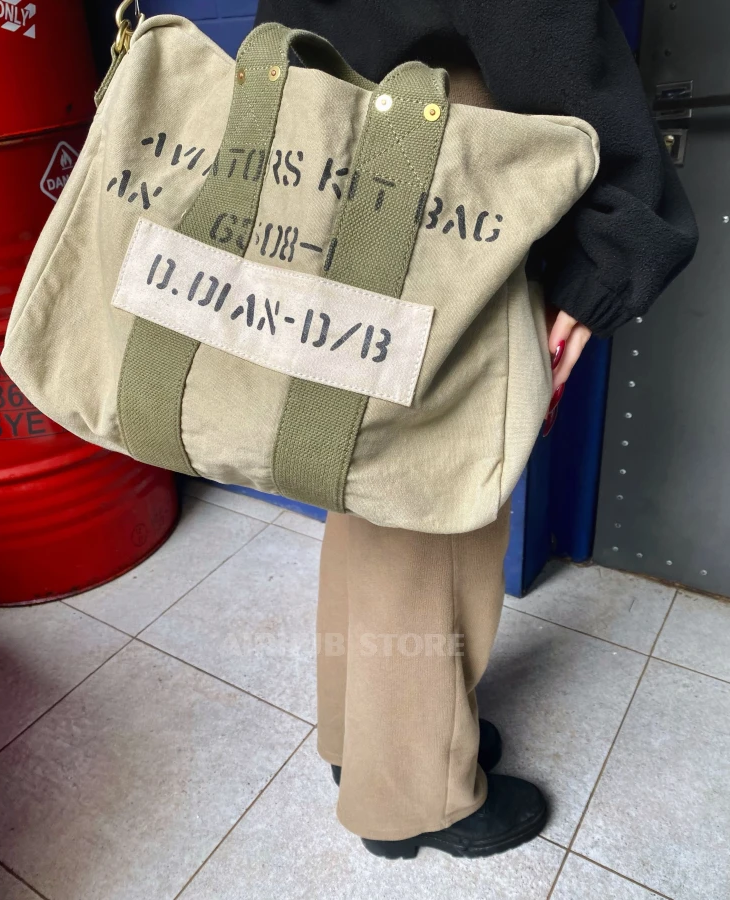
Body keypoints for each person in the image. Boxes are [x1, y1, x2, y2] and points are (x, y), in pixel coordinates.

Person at [254, 0, 699, 860]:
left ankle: (365, 740)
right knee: (442, 497)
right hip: (449, 180)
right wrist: (616, 252)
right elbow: (541, 25)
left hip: (343, 159)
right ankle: (412, 796)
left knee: (363, 473)